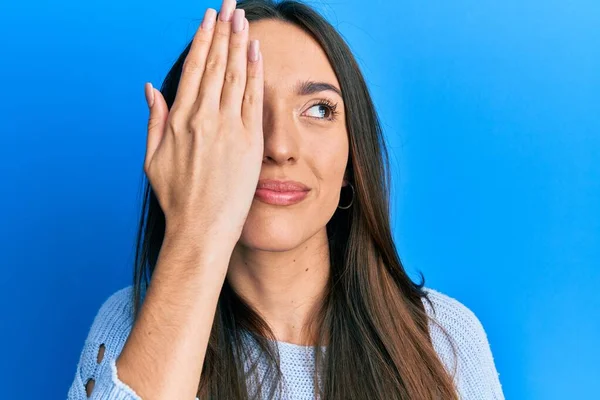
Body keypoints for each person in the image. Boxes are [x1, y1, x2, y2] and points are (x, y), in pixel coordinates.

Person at [67, 0, 504, 398]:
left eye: (319, 109)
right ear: (189, 149)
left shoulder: (444, 337)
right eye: (243, 106)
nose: (279, 146)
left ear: (353, 163)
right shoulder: (130, 324)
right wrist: (194, 229)